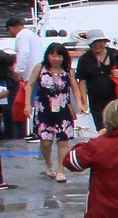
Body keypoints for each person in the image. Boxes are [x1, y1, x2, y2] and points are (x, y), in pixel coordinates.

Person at [30, 40, 83, 181]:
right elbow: (29, 85)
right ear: (48, 56)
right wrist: (27, 105)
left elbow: (75, 88)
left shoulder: (68, 71)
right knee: (46, 142)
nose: (56, 59)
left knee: (63, 141)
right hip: (44, 109)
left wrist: (80, 103)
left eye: (60, 56)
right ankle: (49, 164)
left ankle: (61, 170)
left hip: (63, 109)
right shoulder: (40, 68)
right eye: (53, 55)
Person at [74, 31, 118, 127]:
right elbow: (82, 82)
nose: (97, 45)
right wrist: (84, 102)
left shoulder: (114, 54)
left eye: (100, 42)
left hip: (117, 99)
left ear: (104, 42)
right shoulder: (84, 59)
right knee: (102, 127)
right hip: (96, 102)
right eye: (94, 43)